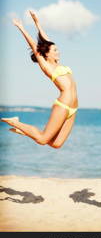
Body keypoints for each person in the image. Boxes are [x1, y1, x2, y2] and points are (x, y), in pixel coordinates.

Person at [1, 11, 78, 148]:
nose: (58, 51)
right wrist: (21, 27)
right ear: (47, 54)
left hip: (73, 107)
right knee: (42, 140)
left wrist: (37, 23)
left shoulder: (58, 64)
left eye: (57, 49)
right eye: (55, 50)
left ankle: (26, 131)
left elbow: (46, 41)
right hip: (63, 105)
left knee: (56, 144)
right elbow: (35, 47)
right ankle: (15, 122)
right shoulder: (47, 67)